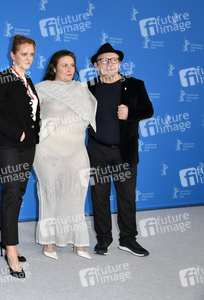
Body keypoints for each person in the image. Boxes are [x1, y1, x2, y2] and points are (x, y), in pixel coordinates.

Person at [86, 43, 153, 256]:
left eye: (113, 60)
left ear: (119, 63)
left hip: (125, 151)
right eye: (103, 60)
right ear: (96, 66)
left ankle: (128, 239)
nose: (109, 64)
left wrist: (130, 112)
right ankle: (103, 239)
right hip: (98, 150)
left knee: (126, 196)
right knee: (99, 196)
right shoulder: (90, 86)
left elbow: (148, 110)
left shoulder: (135, 84)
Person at [33, 50, 96, 260]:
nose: (69, 69)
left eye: (72, 65)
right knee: (50, 192)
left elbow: (90, 116)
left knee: (76, 193)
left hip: (77, 148)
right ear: (53, 68)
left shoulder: (82, 89)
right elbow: (29, 116)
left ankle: (76, 239)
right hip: (48, 149)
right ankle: (47, 240)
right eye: (64, 65)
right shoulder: (41, 89)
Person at [0, 35, 40, 278]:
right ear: (13, 55)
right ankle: (10, 251)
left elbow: (32, 114)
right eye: (24, 54)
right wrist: (16, 133)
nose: (28, 58)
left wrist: (33, 134)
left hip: (28, 146)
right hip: (8, 145)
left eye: (31, 54)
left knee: (18, 193)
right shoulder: (3, 78)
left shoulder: (27, 80)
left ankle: (6, 242)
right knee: (10, 193)